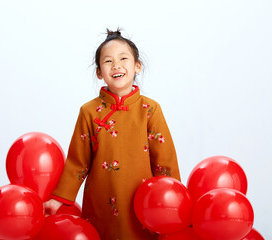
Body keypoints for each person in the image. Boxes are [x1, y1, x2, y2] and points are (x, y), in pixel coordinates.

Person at [44, 28, 181, 240]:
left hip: (144, 205)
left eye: (123, 58)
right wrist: (58, 199)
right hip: (103, 205)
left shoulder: (150, 109)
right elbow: (77, 163)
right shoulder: (88, 112)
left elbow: (164, 161)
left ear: (137, 66)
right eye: (108, 61)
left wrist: (172, 205)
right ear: (99, 72)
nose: (116, 65)